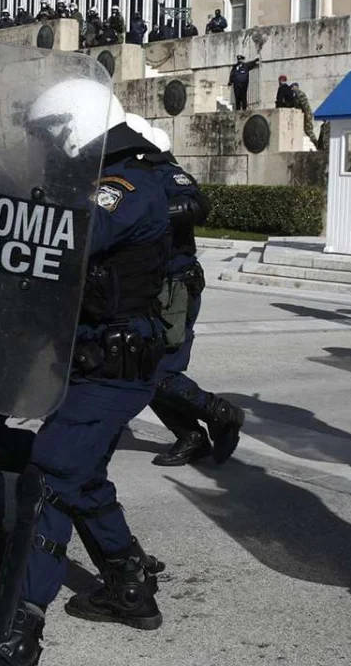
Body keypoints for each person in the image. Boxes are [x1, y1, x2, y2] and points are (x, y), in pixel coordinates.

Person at [0, 81, 170, 666]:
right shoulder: (93, 179)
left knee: (51, 476)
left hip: (115, 364)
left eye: (46, 137)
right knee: (80, 476)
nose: (43, 149)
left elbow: (69, 236)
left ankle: (16, 637)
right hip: (86, 359)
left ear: (71, 128)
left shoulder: (124, 184)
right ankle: (128, 584)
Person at [133, 123, 246, 468]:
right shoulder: (131, 177)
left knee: (160, 371)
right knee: (141, 369)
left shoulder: (167, 174)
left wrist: (148, 216)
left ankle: (222, 413)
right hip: (147, 285)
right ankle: (191, 436)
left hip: (174, 287)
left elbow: (195, 204)